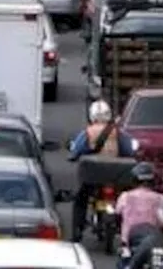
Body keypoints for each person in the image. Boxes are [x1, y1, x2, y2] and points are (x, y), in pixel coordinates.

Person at [66, 100, 137, 241]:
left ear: (91, 116)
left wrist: (73, 155)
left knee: (81, 200)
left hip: (93, 177)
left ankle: (77, 231)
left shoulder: (87, 132)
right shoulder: (116, 132)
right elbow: (129, 151)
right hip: (116, 176)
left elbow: (76, 150)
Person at [114, 162, 163, 252]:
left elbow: (117, 214)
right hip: (154, 242)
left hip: (128, 242)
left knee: (123, 262)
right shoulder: (161, 199)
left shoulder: (125, 196)